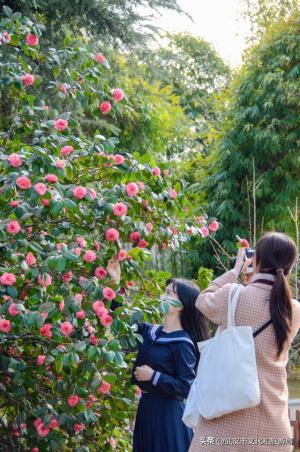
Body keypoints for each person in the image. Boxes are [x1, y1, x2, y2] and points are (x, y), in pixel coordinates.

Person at [189, 232, 300, 452]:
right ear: (290, 266)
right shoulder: (294, 310)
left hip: (224, 429)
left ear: (256, 258)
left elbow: (202, 300)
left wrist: (236, 271)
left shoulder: (233, 295)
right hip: (273, 431)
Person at [107, 259, 209, 452]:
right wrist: (115, 284)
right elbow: (122, 319)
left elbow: (185, 387)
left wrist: (153, 376)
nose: (162, 297)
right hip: (147, 410)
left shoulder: (183, 343)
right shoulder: (151, 332)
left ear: (180, 305)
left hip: (169, 417)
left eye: (168, 293)